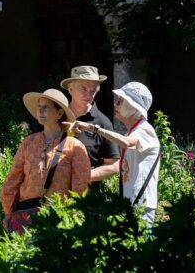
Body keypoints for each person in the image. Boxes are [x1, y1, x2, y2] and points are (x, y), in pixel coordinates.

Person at [68, 82, 160, 227]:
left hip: (141, 205)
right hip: (131, 204)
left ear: (133, 106)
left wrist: (93, 128)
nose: (115, 104)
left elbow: (126, 142)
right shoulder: (133, 131)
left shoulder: (144, 130)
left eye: (120, 101)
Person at [1, 88, 91, 230]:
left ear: (60, 113)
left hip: (59, 218)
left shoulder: (75, 147)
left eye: (46, 107)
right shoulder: (28, 142)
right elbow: (13, 178)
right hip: (26, 215)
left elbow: (81, 188)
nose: (40, 111)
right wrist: (8, 212)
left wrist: (75, 217)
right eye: (39, 107)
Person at [60, 66, 119, 188]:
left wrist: (83, 176)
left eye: (93, 91)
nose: (89, 95)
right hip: (53, 195)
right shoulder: (58, 116)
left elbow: (113, 165)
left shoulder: (102, 123)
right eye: (84, 89)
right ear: (70, 89)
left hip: (86, 198)